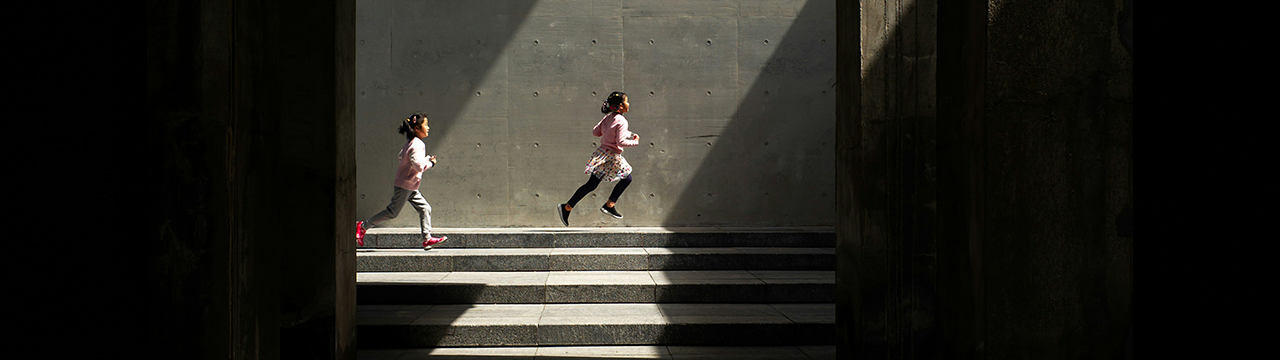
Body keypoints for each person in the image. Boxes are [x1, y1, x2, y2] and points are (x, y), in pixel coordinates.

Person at [356, 112, 448, 250]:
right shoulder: (418, 144)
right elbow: (418, 166)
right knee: (392, 212)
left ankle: (427, 239)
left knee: (425, 208)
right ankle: (363, 226)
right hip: (405, 186)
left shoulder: (410, 143)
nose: (428, 128)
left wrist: (424, 160)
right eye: (426, 125)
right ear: (417, 128)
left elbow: (402, 157)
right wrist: (431, 163)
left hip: (410, 186)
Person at [559, 91, 639, 225]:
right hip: (612, 155)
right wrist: (635, 141)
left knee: (591, 185)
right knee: (627, 178)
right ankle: (609, 205)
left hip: (602, 154)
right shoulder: (622, 120)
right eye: (627, 101)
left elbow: (596, 132)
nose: (628, 104)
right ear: (620, 106)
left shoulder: (608, 118)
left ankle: (567, 207)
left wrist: (616, 132)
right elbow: (620, 142)